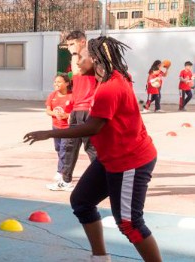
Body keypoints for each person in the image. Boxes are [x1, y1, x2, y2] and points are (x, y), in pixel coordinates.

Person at [24, 36, 162, 262]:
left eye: (83, 56)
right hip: (110, 158)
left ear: (96, 60)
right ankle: (100, 257)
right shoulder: (108, 78)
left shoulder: (110, 87)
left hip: (130, 161)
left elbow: (94, 126)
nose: (77, 61)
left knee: (129, 223)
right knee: (81, 201)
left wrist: (50, 132)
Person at [56, 30, 97, 191]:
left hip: (87, 109)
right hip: (77, 109)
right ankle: (66, 181)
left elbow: (79, 70)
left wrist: (74, 54)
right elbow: (75, 79)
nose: (69, 48)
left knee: (91, 148)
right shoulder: (75, 59)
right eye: (68, 45)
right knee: (70, 146)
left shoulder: (90, 56)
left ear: (82, 42)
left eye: (72, 44)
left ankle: (104, 179)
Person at [45, 73, 73, 189]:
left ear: (66, 83)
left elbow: (74, 113)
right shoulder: (52, 96)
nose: (56, 84)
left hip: (67, 129)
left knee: (63, 150)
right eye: (55, 82)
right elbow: (48, 110)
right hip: (56, 127)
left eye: (59, 82)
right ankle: (63, 169)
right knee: (58, 148)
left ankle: (60, 172)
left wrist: (66, 115)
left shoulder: (72, 96)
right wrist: (54, 114)